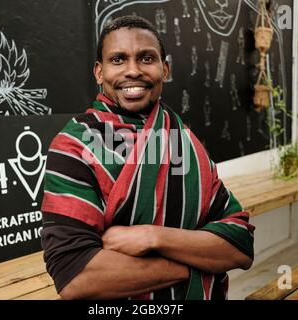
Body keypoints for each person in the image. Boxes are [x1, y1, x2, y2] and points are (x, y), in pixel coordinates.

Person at [41, 15, 255, 300]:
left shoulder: (182, 138)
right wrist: (194, 265)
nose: (133, 71)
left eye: (146, 58)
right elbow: (76, 276)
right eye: (118, 59)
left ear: (164, 69)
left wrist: (151, 237)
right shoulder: (75, 147)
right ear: (99, 72)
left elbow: (240, 243)